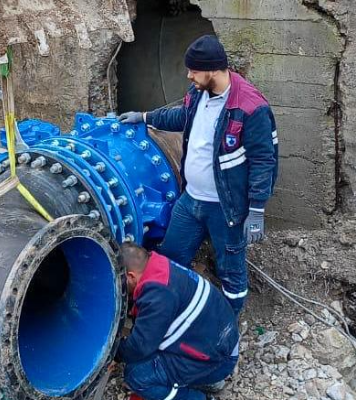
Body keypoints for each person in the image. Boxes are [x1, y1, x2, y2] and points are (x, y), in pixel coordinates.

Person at [118, 35, 278, 314]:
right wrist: (144, 117)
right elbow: (181, 117)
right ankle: (173, 312)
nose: (189, 75)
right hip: (190, 200)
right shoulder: (198, 94)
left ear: (213, 70)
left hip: (226, 208)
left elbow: (264, 161)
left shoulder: (251, 108)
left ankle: (227, 325)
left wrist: (256, 209)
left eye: (194, 70)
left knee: (231, 269)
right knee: (171, 257)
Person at [117, 243, 240, 400]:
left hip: (219, 360)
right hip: (222, 343)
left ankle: (198, 395)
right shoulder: (158, 266)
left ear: (131, 276)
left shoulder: (157, 295)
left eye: (119, 281)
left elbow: (140, 347)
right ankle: (204, 380)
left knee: (136, 375)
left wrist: (116, 353)